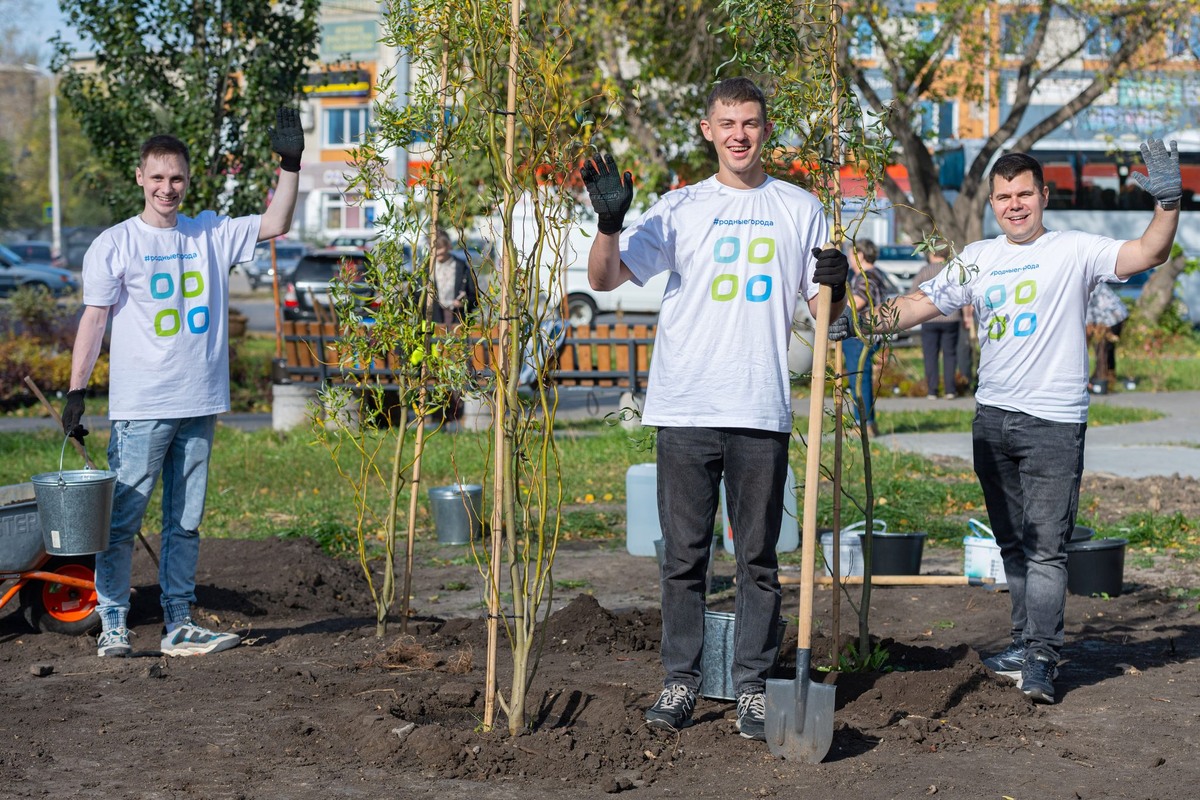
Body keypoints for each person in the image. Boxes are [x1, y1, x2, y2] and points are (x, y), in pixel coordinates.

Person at [829, 139, 1181, 704]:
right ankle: (1022, 643)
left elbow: (1147, 253)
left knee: (1046, 548)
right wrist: (859, 322)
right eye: (1004, 197)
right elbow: (921, 303)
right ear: (992, 203)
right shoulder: (979, 257)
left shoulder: (1074, 250)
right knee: (1013, 545)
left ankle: (1042, 655)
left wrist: (1168, 205)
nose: (1014, 205)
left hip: (1053, 424)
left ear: (1043, 196)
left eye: (1024, 194)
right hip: (993, 421)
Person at [581, 77, 849, 741]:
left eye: (750, 123)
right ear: (708, 130)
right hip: (686, 406)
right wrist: (609, 226)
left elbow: (823, 314)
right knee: (683, 557)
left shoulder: (800, 208)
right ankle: (681, 680)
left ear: (766, 129)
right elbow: (604, 279)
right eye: (727, 123)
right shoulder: (680, 208)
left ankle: (754, 688)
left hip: (759, 407)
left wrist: (836, 286)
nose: (739, 135)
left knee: (758, 558)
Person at [60, 107, 305, 658]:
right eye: (157, 177)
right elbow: (94, 321)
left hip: (200, 402)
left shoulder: (210, 233)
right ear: (140, 178)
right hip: (142, 406)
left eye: (176, 178)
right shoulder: (116, 243)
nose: (166, 188)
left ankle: (178, 624)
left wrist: (290, 165)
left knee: (186, 522)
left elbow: (276, 223)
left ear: (187, 181)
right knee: (122, 520)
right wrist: (76, 392)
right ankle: (114, 622)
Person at [912, 247, 973, 399]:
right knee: (950, 354)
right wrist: (967, 316)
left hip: (929, 318)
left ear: (932, 254)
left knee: (930, 355)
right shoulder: (953, 270)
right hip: (951, 317)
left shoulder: (924, 271)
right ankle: (950, 390)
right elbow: (963, 293)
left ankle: (932, 390)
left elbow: (913, 293)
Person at [842, 239, 888, 436]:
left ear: (860, 255)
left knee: (859, 380)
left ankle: (864, 424)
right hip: (869, 335)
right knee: (862, 379)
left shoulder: (866, 278)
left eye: (851, 254)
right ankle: (869, 422)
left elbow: (856, 303)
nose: (850, 259)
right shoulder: (875, 274)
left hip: (860, 336)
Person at [1085, 280, 1129, 392]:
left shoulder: (1087, 283)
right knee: (1106, 349)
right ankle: (1104, 378)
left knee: (1103, 349)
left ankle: (1103, 380)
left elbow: (1088, 306)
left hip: (1113, 318)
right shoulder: (1089, 280)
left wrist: (1088, 327)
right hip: (1113, 317)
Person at [430, 227, 477, 325]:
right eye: (435, 249)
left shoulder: (462, 267)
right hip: (432, 321)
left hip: (458, 321)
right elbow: (416, 297)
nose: (438, 252)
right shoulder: (427, 270)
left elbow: (475, 297)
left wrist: (464, 303)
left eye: (440, 248)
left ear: (448, 246)